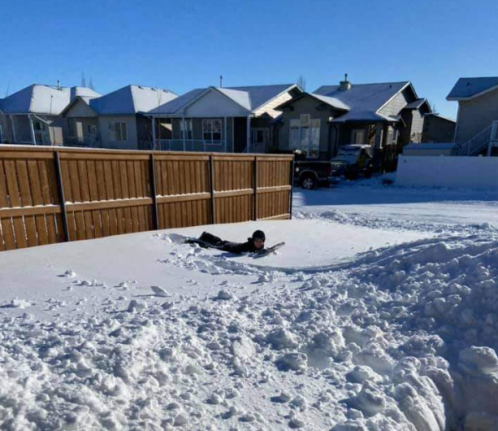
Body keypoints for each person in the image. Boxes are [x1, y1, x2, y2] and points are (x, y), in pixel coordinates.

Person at [188, 230, 266, 254]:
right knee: (213, 246)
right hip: (229, 247)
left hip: (233, 244)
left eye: (260, 241)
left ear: (263, 241)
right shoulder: (247, 246)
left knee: (220, 241)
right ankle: (193, 241)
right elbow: (242, 249)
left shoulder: (260, 246)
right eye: (257, 241)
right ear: (253, 240)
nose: (259, 243)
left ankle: (205, 235)